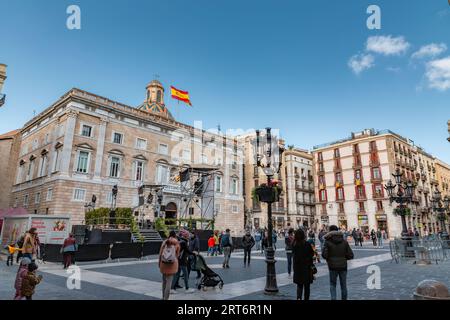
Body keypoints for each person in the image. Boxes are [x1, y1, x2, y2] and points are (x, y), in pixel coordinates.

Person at [322, 225, 354, 300]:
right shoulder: (344, 242)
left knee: (332, 284)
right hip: (343, 266)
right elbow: (351, 255)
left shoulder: (327, 242)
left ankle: (333, 298)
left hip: (332, 266)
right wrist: (343, 257)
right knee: (343, 285)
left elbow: (324, 255)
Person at [292, 228, 315, 300]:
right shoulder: (307, 244)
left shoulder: (294, 244)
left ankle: (298, 298)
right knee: (307, 287)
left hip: (298, 268)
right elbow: (312, 253)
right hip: (306, 267)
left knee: (299, 285)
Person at [159, 231, 180, 300]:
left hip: (163, 263)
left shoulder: (164, 242)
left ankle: (162, 297)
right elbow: (177, 255)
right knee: (169, 282)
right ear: (175, 235)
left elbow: (160, 254)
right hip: (172, 264)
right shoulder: (176, 243)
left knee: (164, 282)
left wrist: (159, 263)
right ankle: (166, 298)